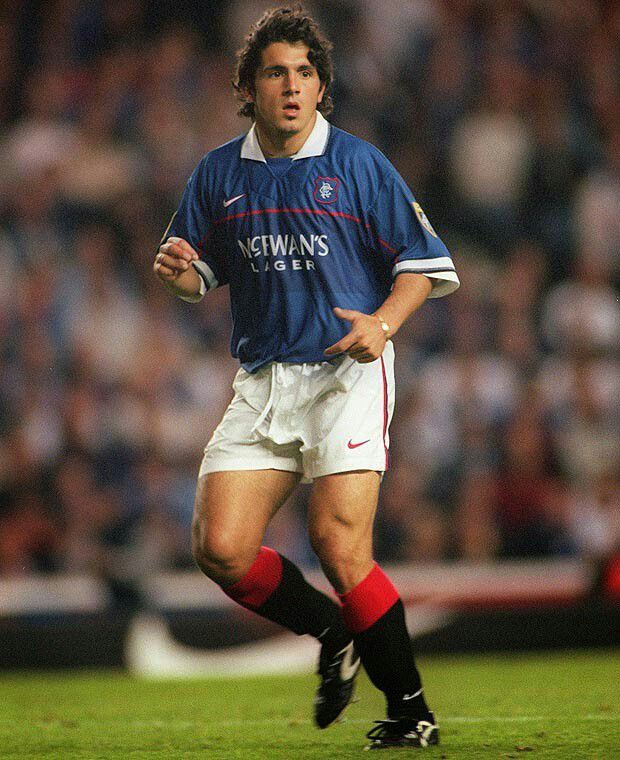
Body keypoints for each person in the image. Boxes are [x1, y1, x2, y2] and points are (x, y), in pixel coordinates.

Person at [153, 6, 458, 750]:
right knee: (220, 548)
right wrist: (179, 275)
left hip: (346, 372)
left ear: (321, 87)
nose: (291, 86)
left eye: (304, 72)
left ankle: (411, 711)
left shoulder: (358, 164)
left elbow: (423, 267)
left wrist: (381, 325)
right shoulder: (218, 173)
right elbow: (198, 275)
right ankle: (330, 632)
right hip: (264, 379)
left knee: (338, 543)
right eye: (275, 73)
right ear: (248, 89)